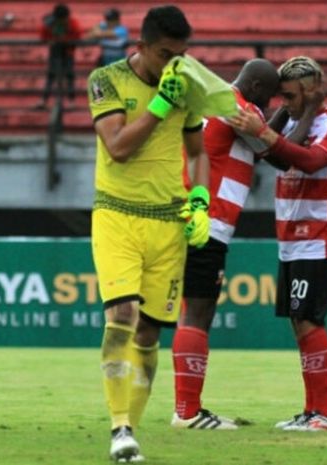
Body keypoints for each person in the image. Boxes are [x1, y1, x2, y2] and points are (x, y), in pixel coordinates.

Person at [86, 6, 213, 462]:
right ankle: (118, 427)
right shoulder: (106, 80)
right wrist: (161, 104)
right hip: (117, 216)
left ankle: (131, 430)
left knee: (149, 335)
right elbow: (117, 148)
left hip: (168, 222)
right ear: (140, 47)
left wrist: (200, 199)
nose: (173, 64)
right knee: (121, 313)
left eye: (181, 54)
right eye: (165, 54)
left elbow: (198, 152)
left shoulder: (186, 86)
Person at [229, 56, 327, 432]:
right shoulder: (298, 122)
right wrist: (270, 132)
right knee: (300, 323)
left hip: (320, 236)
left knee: (309, 320)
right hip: (292, 238)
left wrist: (267, 134)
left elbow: (313, 161)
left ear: (310, 89)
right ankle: (312, 409)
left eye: (289, 95)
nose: (283, 102)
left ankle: (326, 414)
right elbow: (277, 157)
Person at [171, 58, 281, 430]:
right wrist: (309, 110)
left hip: (191, 217)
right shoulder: (238, 107)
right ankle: (187, 411)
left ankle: (186, 407)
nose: (268, 107)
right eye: (268, 98)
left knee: (191, 311)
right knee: (198, 314)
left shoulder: (215, 102)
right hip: (209, 222)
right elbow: (275, 150)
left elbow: (263, 135)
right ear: (254, 89)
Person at [37, 3, 81, 109]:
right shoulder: (49, 23)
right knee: (51, 76)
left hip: (68, 52)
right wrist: (49, 41)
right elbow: (43, 36)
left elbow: (77, 36)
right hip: (55, 51)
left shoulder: (72, 23)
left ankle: (71, 102)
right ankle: (44, 101)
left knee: (69, 75)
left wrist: (65, 40)